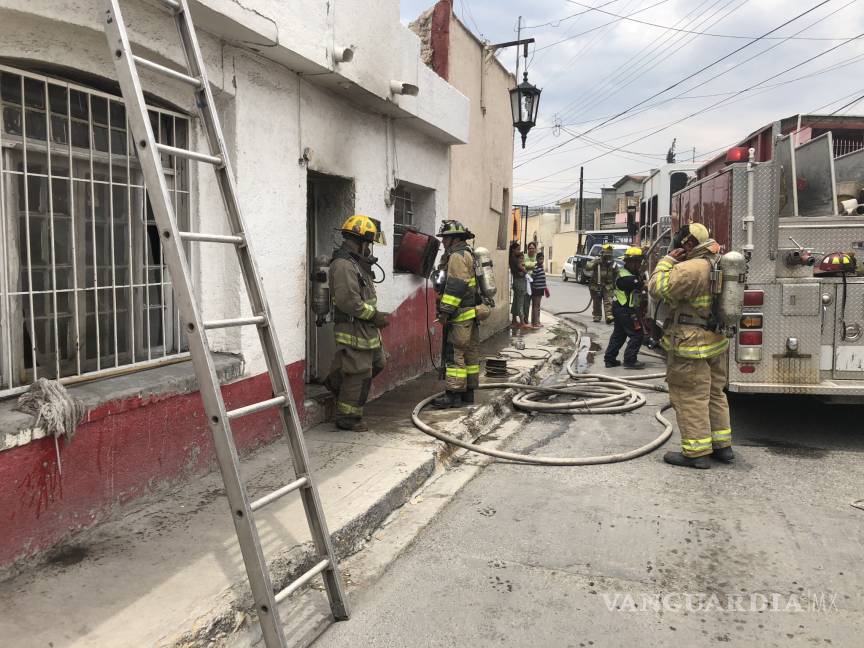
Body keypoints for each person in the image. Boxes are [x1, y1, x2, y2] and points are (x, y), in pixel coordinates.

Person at [648, 222, 734, 469]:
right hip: (715, 341)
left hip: (691, 343)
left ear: (688, 244)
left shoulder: (690, 268)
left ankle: (696, 453)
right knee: (715, 393)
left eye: (680, 241)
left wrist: (666, 262)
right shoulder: (717, 261)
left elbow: (657, 289)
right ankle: (722, 446)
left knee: (690, 397)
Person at [324, 214, 389, 431]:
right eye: (369, 243)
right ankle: (347, 418)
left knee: (378, 362)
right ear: (360, 241)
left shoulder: (356, 262)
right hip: (353, 327)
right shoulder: (343, 265)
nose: (370, 248)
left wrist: (373, 317)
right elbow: (348, 300)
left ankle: (334, 381)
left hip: (366, 327)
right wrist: (374, 315)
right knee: (359, 372)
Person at [432, 220, 485, 409]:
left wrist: (445, 311)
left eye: (445, 238)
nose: (443, 242)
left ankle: (453, 395)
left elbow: (455, 286)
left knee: (454, 354)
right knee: (470, 354)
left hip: (459, 315)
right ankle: (468, 393)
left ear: (455, 238)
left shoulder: (456, 256)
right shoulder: (468, 254)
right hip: (471, 314)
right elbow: (451, 281)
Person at [604, 247, 645, 369]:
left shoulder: (628, 273)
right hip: (625, 310)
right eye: (637, 262)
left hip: (620, 309)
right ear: (629, 262)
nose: (639, 265)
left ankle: (610, 359)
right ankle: (630, 360)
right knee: (637, 335)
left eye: (640, 262)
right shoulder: (627, 278)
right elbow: (643, 285)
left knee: (619, 335)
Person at [586, 244, 616, 323]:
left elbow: (617, 274)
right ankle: (597, 316)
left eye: (610, 255)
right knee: (597, 302)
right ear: (602, 254)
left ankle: (609, 316)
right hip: (596, 286)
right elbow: (587, 267)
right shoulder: (597, 261)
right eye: (606, 255)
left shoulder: (613, 263)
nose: (608, 258)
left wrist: (616, 284)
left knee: (608, 301)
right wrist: (595, 262)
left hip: (608, 286)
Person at [510, 250, 529, 329]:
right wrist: (525, 271)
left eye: (523, 258)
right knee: (520, 303)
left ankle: (514, 320)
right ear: (517, 259)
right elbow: (524, 272)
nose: (522, 260)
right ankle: (522, 322)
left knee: (515, 302)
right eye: (521, 258)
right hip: (520, 285)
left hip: (517, 284)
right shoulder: (519, 265)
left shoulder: (515, 265)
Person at [530, 251, 548, 328]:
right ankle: (535, 322)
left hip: (541, 289)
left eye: (543, 259)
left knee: (537, 306)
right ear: (537, 259)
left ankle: (536, 321)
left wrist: (545, 289)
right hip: (536, 289)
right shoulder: (536, 268)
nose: (542, 260)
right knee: (535, 306)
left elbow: (543, 280)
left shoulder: (541, 268)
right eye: (540, 259)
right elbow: (532, 278)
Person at [522, 242, 538, 324]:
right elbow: (522, 266)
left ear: (535, 249)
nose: (531, 249)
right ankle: (525, 318)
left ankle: (534, 320)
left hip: (535, 282)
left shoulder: (537, 257)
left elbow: (538, 266)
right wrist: (533, 265)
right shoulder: (524, 256)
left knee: (535, 303)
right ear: (528, 249)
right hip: (526, 282)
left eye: (533, 248)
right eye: (530, 248)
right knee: (526, 302)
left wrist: (527, 265)